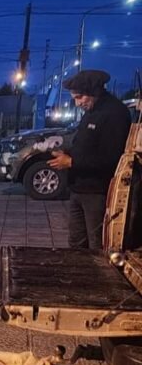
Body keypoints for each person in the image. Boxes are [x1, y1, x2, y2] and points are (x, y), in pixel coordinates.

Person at [48, 69, 131, 249]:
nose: (77, 103)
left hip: (97, 192)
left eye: (79, 98)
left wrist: (72, 162)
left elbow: (111, 158)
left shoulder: (114, 113)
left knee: (97, 244)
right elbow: (86, 145)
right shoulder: (91, 110)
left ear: (94, 92)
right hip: (79, 187)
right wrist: (67, 152)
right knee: (76, 242)